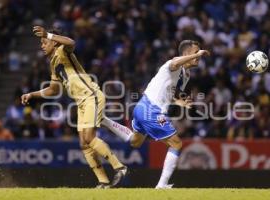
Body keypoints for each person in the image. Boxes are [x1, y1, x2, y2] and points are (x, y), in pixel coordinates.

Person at [21, 26, 127, 188]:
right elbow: (53, 89)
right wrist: (32, 94)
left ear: (54, 42)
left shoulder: (63, 50)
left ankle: (120, 167)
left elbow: (71, 42)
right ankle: (103, 181)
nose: (42, 46)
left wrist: (49, 34)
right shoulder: (53, 63)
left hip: (91, 96)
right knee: (84, 143)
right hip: (81, 103)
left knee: (89, 137)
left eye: (44, 42)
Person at [102, 40, 210, 188]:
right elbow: (175, 62)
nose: (198, 56)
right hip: (151, 109)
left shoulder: (186, 75)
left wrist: (178, 102)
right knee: (176, 144)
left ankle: (104, 120)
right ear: (185, 54)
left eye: (199, 53)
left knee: (135, 141)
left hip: (143, 107)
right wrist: (197, 54)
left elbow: (169, 93)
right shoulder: (172, 64)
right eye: (195, 52)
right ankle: (161, 185)